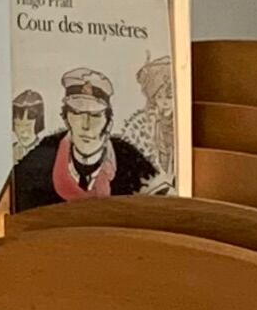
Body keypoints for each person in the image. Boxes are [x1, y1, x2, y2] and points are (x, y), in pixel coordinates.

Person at [9, 66, 159, 212]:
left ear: (108, 123)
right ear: (66, 119)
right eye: (77, 113)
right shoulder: (40, 161)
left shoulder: (131, 163)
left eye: (94, 116)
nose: (85, 125)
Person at [120, 48, 180, 188]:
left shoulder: (178, 120)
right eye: (159, 97)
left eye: (169, 97)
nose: (164, 102)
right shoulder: (152, 121)